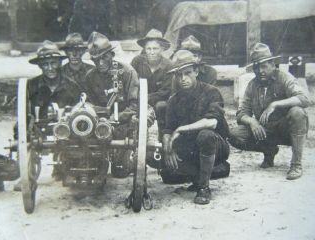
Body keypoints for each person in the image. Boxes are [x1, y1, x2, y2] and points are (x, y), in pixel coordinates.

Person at [228, 43, 310, 180]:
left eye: (264, 66)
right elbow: (241, 112)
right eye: (256, 67)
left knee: (297, 113)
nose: (260, 71)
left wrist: (275, 104)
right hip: (266, 129)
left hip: (286, 129)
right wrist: (252, 121)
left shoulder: (284, 77)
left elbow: (305, 99)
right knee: (234, 134)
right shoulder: (252, 85)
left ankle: (296, 164)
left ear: (273, 64)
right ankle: (269, 151)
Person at [162, 50, 230, 204]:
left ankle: (204, 188)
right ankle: (199, 175)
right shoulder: (174, 99)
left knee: (205, 135)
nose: (183, 79)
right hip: (189, 147)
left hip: (216, 145)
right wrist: (167, 148)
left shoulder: (211, 92)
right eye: (179, 75)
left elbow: (212, 122)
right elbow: (167, 129)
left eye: (187, 73)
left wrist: (181, 129)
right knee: (157, 160)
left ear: (197, 72)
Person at [14, 40, 82, 190]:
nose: (50, 68)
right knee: (23, 135)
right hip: (39, 128)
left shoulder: (72, 86)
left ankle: (67, 167)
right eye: (45, 64)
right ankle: (26, 176)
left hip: (65, 129)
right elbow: (24, 114)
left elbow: (79, 111)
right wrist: (23, 133)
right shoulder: (31, 86)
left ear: (59, 63)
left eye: (53, 63)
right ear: (40, 66)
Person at [84, 32, 142, 178]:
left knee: (120, 172)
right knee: (94, 169)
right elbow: (87, 103)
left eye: (104, 57)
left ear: (112, 55)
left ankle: (126, 155)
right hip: (100, 125)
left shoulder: (127, 72)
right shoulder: (90, 77)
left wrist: (118, 118)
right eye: (96, 60)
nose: (101, 63)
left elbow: (135, 104)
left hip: (124, 122)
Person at [131, 28, 173, 136]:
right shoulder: (137, 62)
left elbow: (166, 90)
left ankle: (162, 136)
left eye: (155, 48)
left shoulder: (169, 66)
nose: (152, 52)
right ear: (144, 49)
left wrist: (147, 99)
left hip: (158, 101)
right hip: (138, 100)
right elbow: (131, 82)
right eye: (148, 49)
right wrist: (140, 99)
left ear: (162, 49)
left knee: (162, 106)